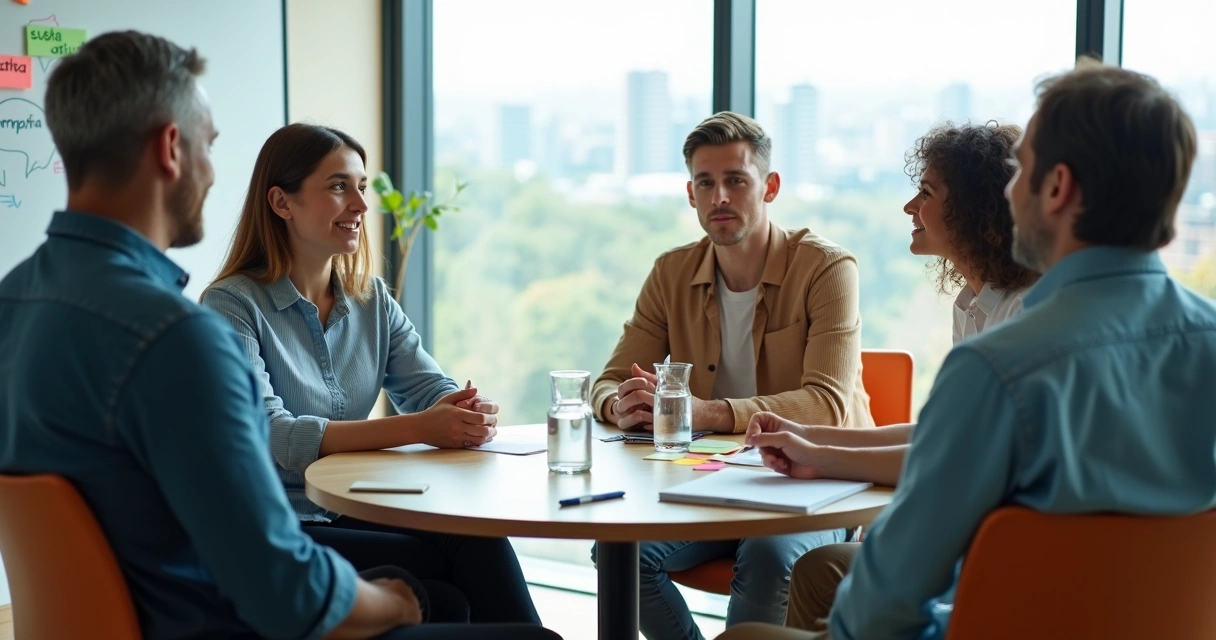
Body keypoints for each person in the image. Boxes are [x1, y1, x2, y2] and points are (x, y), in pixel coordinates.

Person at [0, 30, 557, 640]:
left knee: (453, 580)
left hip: (132, 615)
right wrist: (396, 602)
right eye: (209, 146)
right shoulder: (176, 339)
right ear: (170, 148)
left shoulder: (13, 301)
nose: (213, 174)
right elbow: (285, 590)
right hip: (222, 623)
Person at [731, 60, 1216, 640]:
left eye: (1023, 171)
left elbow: (884, 604)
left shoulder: (999, 369)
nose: (1009, 193)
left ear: (1057, 188)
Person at [200, 122, 542, 626]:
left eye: (362, 186)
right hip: (275, 525)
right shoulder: (231, 305)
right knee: (437, 576)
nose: (361, 205)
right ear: (281, 202)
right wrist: (421, 427)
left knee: (472, 543)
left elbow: (429, 388)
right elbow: (271, 435)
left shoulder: (371, 299)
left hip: (354, 504)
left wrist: (461, 409)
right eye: (340, 186)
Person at [738, 121, 1038, 629]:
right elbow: (946, 434)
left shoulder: (1021, 314)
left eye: (926, 192)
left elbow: (953, 456)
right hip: (973, 536)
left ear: (975, 207)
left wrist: (821, 454)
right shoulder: (974, 306)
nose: (909, 207)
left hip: (992, 554)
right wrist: (809, 437)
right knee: (819, 571)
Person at [589, 111, 873, 640]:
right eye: (706, 183)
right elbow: (605, 382)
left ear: (770, 186)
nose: (720, 196)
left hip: (813, 480)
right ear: (691, 194)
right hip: (711, 478)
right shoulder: (670, 272)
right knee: (618, 554)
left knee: (768, 553)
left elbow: (827, 405)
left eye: (736, 180)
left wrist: (703, 412)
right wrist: (620, 403)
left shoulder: (827, 269)